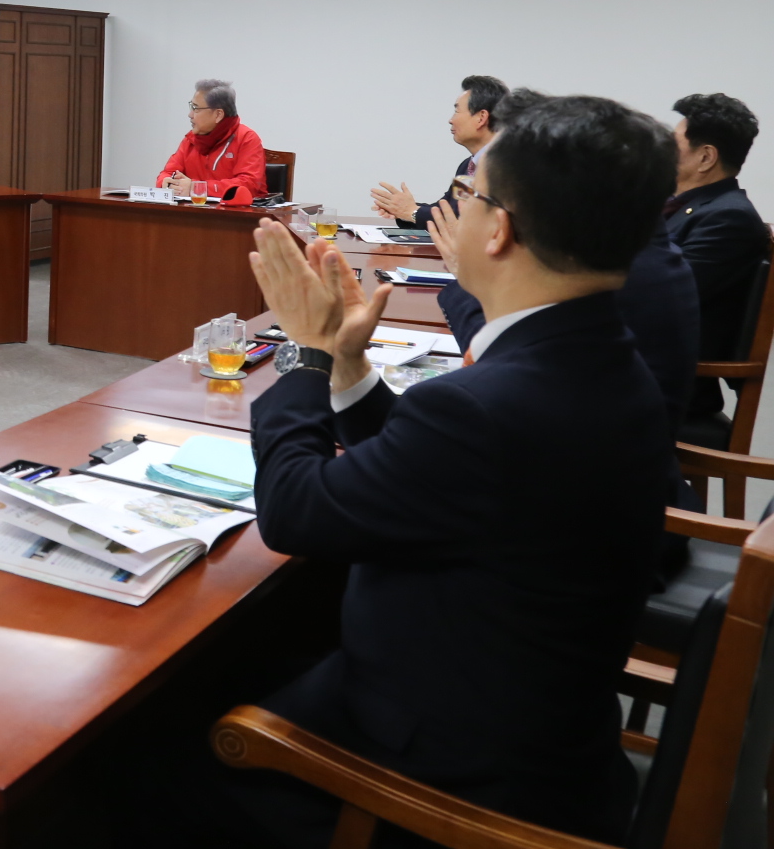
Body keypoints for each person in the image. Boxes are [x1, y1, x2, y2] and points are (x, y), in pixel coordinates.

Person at [232, 94, 682, 847]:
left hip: (439, 770)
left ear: (499, 228)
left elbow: (293, 511)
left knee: (137, 745)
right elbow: (451, 477)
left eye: (468, 195)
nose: (455, 210)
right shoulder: (601, 358)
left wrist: (304, 354)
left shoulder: (491, 403)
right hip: (544, 725)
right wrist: (348, 365)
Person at [428, 88, 699, 427]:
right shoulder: (628, 242)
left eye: (476, 195)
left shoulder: (607, 263)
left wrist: (467, 273)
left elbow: (506, 362)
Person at [666, 92, 769, 443]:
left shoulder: (728, 217)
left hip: (674, 384)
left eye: (673, 140)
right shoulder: (678, 205)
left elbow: (668, 297)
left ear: (706, 156)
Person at [370, 73, 506, 226]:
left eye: (457, 111)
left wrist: (411, 212)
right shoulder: (468, 165)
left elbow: (467, 223)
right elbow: (446, 210)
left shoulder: (505, 167)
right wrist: (401, 210)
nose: (450, 120)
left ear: (481, 118)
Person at [155, 78, 266, 203]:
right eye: (191, 107)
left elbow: (248, 185)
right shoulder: (191, 139)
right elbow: (167, 173)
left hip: (237, 216)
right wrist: (166, 183)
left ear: (218, 114)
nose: (190, 114)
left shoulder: (247, 138)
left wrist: (196, 188)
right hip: (193, 213)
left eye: (196, 108)